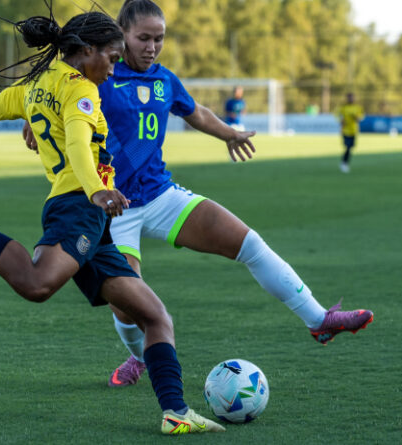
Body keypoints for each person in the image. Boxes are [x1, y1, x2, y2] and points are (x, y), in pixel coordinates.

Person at [0, 10, 223, 435]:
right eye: (112, 57)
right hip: (78, 206)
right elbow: (82, 149)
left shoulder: (33, 86)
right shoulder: (82, 90)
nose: (114, 67)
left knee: (155, 316)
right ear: (87, 52)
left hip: (91, 216)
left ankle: (175, 412)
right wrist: (96, 190)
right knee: (36, 284)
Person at [23, 0, 373, 388]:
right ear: (121, 35)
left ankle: (318, 319)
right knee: (127, 303)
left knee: (248, 243)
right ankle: (140, 358)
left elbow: (196, 112)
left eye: (159, 39)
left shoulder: (164, 81)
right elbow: (55, 95)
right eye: (143, 38)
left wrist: (230, 133)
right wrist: (32, 122)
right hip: (112, 206)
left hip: (160, 195)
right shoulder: (98, 75)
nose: (152, 46)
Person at [336, 92, 365, 173]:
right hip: (345, 130)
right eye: (349, 98)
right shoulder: (343, 108)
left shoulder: (357, 107)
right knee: (348, 147)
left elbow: (360, 118)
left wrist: (356, 118)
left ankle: (344, 162)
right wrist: (341, 122)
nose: (351, 99)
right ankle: (344, 163)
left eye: (352, 97)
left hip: (354, 130)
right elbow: (338, 116)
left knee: (351, 147)